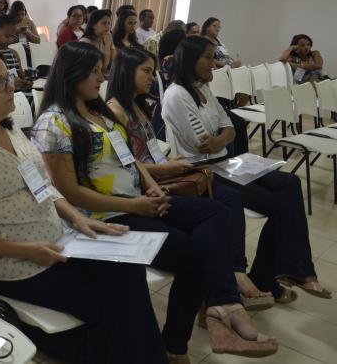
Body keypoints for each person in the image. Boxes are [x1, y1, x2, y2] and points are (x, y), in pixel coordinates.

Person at [32, 42, 278, 361]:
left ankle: (222, 303)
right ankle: (178, 344)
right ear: (71, 73)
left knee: (216, 211)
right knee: (194, 256)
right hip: (105, 215)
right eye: (93, 71)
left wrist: (153, 188)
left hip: (138, 200)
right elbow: (70, 192)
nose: (100, 76)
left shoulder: (98, 111)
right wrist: (136, 206)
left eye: (101, 69)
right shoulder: (54, 122)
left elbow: (129, 159)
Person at [0, 49, 168, 364]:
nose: (12, 86)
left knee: (127, 273)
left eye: (9, 79)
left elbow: (43, 186)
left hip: (58, 245)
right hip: (12, 267)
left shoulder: (10, 131)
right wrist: (29, 250)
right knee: (112, 298)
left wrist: (77, 219)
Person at [163, 36, 331, 302]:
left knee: (289, 184)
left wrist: (220, 137)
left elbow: (229, 124)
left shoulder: (202, 88)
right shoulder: (176, 95)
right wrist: (221, 137)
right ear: (190, 60)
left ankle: (297, 269)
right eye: (207, 57)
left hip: (222, 161)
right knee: (280, 205)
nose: (213, 63)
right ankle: (270, 278)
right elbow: (201, 142)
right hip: (202, 170)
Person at [107, 47, 275, 310]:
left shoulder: (138, 107)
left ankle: (230, 278)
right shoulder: (116, 112)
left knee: (228, 200)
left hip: (163, 173)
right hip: (150, 185)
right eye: (146, 71)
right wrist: (164, 170)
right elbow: (128, 167)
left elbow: (151, 154)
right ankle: (230, 281)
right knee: (221, 204)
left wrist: (168, 164)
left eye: (153, 71)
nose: (152, 77)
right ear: (127, 72)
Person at [0, 14, 31, 92]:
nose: (10, 39)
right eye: (7, 36)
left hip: (16, 94)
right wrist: (11, 82)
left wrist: (26, 82)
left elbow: (21, 75)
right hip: (1, 95)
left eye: (12, 36)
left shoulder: (14, 53)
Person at [79, 9, 116, 74]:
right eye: (104, 23)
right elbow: (102, 67)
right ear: (93, 25)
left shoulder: (104, 39)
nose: (108, 26)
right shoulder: (86, 42)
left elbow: (114, 63)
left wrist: (110, 44)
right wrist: (107, 45)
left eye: (109, 23)